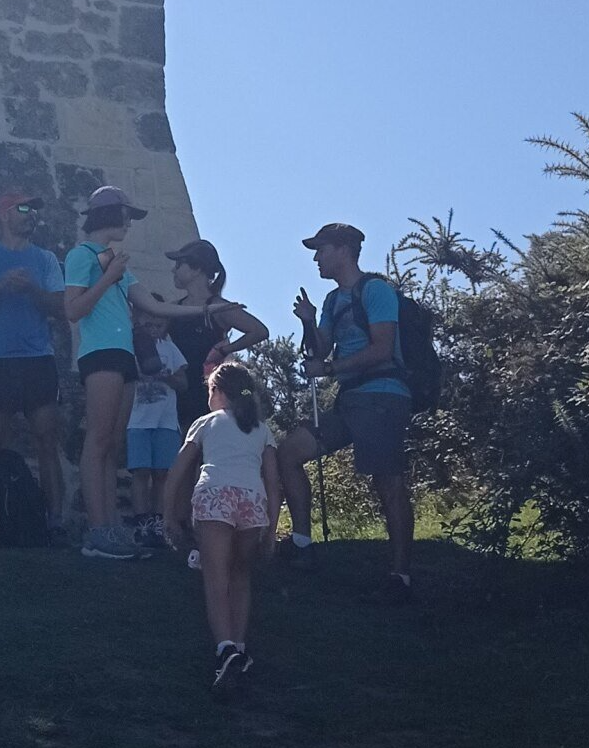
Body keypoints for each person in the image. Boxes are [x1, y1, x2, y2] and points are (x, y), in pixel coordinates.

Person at [64, 186, 254, 561]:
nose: (129, 223)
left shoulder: (118, 262)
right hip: (100, 353)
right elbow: (72, 309)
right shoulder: (80, 256)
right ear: (110, 214)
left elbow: (153, 305)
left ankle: (112, 527)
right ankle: (98, 531)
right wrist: (108, 278)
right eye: (127, 216)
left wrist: (209, 312)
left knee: (112, 446)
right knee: (98, 442)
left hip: (123, 356)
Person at [277, 222, 416, 600]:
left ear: (343, 249)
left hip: (383, 395)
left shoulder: (377, 291)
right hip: (351, 398)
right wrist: (308, 321)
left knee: (388, 480)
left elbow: (383, 349)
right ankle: (302, 544)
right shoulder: (332, 302)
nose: (316, 257)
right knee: (289, 452)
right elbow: (319, 349)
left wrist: (332, 369)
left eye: (321, 249)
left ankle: (400, 574)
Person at [164, 360, 281, 695]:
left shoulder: (206, 423)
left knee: (215, 578)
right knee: (240, 575)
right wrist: (271, 527)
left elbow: (179, 469)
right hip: (252, 502)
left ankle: (225, 647)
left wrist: (168, 513)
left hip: (215, 496)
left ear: (217, 392)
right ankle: (240, 647)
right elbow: (273, 482)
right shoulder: (261, 428)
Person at [0, 190, 68, 534]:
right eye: (24, 208)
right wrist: (1, 286)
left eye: (34, 209)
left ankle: (53, 523)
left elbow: (60, 308)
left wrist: (32, 290)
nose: (32, 214)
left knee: (47, 442)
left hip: (37, 360)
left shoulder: (46, 259)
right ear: (3, 214)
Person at [162, 238, 268, 429]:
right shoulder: (173, 308)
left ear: (196, 269)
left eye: (179, 264)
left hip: (210, 392)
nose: (173, 270)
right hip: (178, 390)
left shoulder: (219, 307)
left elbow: (259, 331)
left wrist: (225, 349)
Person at [126, 313, 186, 550]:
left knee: (163, 473)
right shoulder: (130, 346)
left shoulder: (169, 348)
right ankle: (142, 523)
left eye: (157, 323)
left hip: (166, 421)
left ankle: (159, 524)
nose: (152, 328)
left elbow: (184, 383)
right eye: (147, 322)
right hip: (137, 419)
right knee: (140, 472)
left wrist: (168, 377)